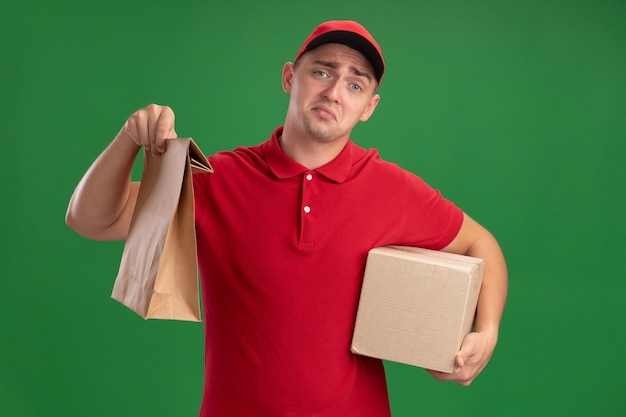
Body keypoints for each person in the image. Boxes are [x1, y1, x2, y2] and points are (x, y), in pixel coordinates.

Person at [66, 20, 507, 417]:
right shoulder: (217, 180)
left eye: (355, 85)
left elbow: (480, 244)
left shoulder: (393, 190)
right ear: (289, 78)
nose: (335, 91)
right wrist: (128, 138)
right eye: (322, 71)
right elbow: (92, 220)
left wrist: (485, 333)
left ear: (369, 107)